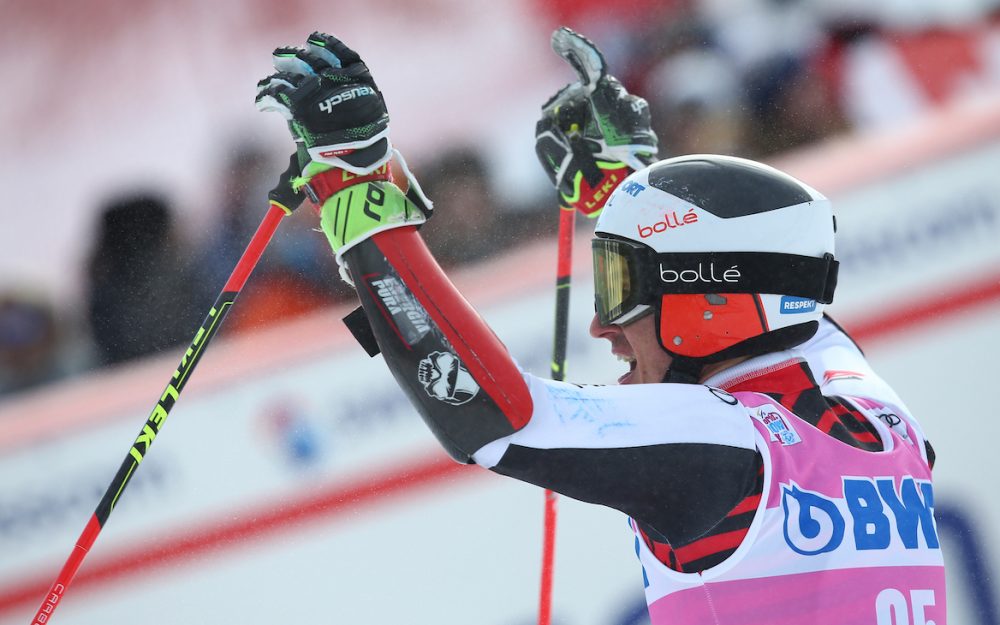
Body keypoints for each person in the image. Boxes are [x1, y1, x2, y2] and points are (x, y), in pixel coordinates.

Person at [255, 29, 945, 624]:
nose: (602, 327)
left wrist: (359, 190)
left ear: (711, 305)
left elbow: (495, 416)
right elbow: (772, 288)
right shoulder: (871, 406)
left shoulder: (731, 448)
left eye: (623, 294)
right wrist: (631, 193)